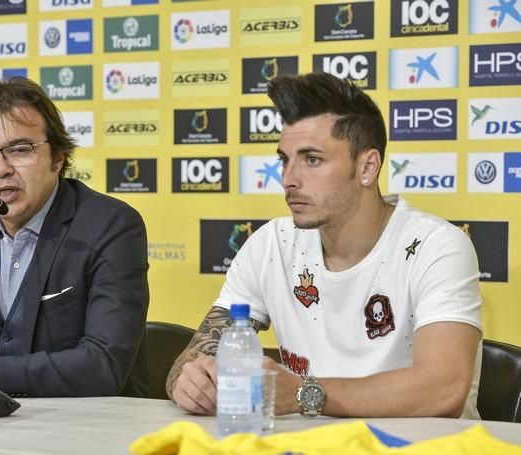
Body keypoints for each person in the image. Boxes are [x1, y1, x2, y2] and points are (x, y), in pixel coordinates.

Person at [166, 72, 483, 418]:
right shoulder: (271, 244)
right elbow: (190, 359)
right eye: (284, 160)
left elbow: (443, 389)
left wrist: (305, 394)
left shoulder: (437, 247)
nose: (289, 180)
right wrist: (189, 382)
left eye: (312, 160)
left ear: (367, 167)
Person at [0, 76, 150, 398]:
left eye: (19, 150)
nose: (0, 169)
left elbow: (103, 364)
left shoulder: (110, 225)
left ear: (58, 158)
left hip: (83, 429)